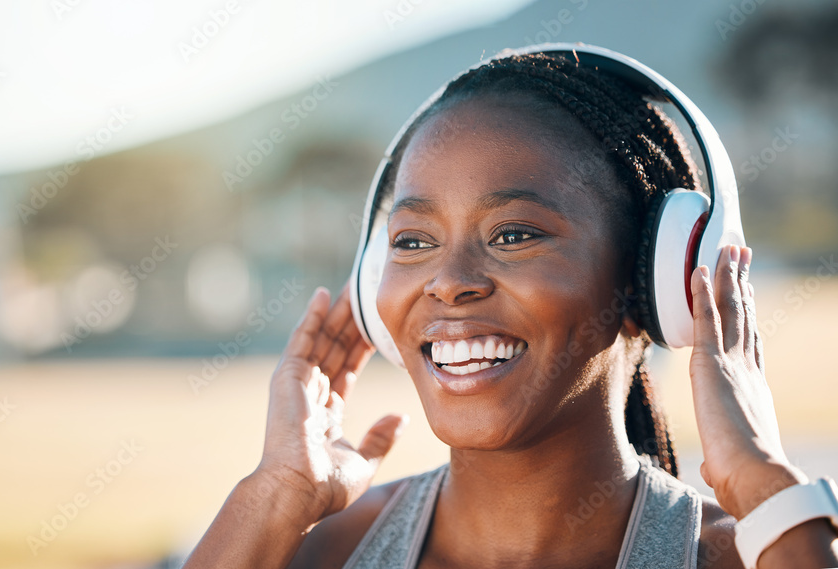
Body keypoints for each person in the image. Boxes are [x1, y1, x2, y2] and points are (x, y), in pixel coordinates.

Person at [183, 48, 838, 568]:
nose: (449, 282)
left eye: (514, 234)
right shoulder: (318, 548)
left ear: (655, 276)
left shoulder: (748, 552)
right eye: (412, 240)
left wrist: (764, 485)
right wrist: (274, 499)